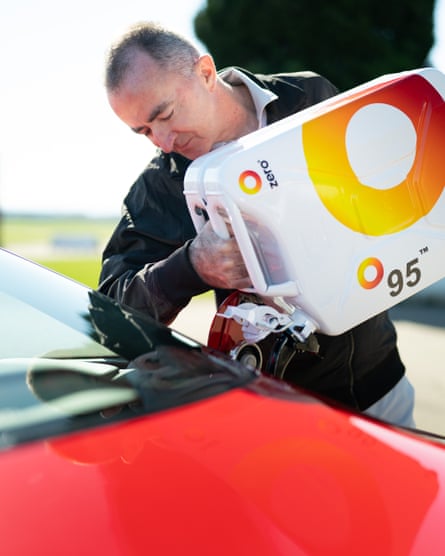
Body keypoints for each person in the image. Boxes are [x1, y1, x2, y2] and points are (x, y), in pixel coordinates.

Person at [98, 21, 415, 427]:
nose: (162, 141)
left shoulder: (308, 97)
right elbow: (110, 308)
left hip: (383, 385)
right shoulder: (160, 186)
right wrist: (191, 267)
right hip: (282, 416)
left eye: (165, 115)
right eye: (143, 131)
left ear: (206, 73)